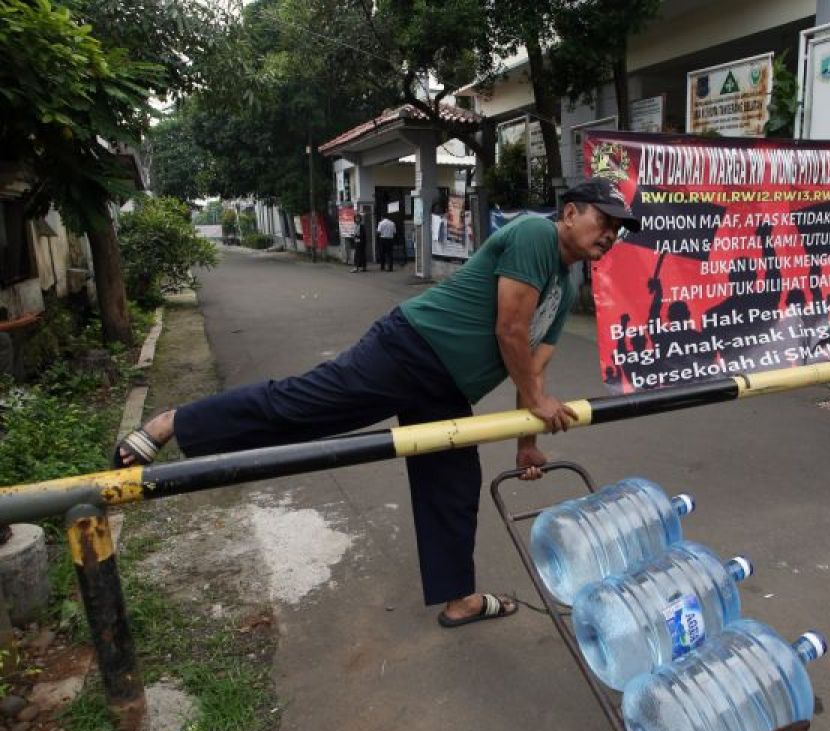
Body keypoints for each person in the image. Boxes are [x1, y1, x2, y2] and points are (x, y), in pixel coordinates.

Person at [113, 177, 641, 627]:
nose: (611, 236)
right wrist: (538, 406)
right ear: (569, 212)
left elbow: (535, 371)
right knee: (301, 408)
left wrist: (527, 443)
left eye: (619, 231)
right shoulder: (534, 234)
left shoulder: (566, 285)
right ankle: (173, 422)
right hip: (409, 349)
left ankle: (459, 600)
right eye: (605, 221)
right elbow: (511, 330)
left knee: (452, 484)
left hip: (448, 387)